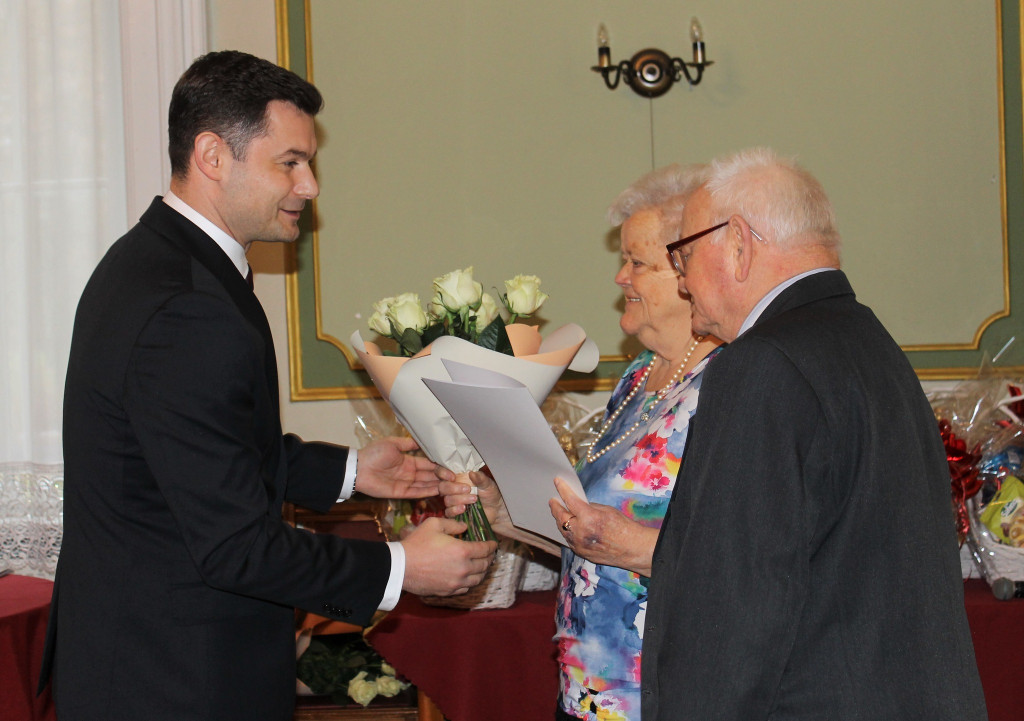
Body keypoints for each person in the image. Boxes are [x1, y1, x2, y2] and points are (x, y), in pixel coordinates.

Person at [39, 50, 496, 721]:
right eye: (289, 161)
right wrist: (399, 570)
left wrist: (350, 471)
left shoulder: (157, 260)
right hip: (170, 681)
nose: (309, 185)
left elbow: (203, 453)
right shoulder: (185, 304)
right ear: (213, 155)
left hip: (147, 659)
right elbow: (235, 546)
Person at [642, 147, 988, 720]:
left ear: (738, 244)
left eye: (683, 254)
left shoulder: (761, 367)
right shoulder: (871, 344)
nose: (682, 282)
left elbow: (729, 617)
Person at [441, 164, 723, 721]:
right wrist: (507, 514)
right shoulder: (638, 378)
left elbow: (742, 560)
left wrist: (630, 544)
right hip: (588, 690)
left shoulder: (728, 387)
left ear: (688, 272)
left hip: (668, 693)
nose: (620, 277)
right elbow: (591, 543)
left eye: (636, 262)